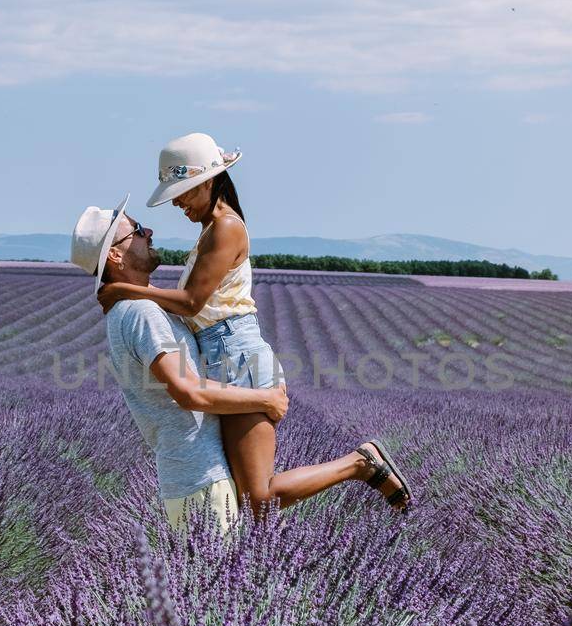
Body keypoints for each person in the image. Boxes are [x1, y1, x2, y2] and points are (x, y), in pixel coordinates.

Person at [92, 139, 412, 517]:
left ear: (207, 182)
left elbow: (193, 302)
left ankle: (360, 463)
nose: (177, 203)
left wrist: (121, 288)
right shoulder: (210, 230)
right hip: (222, 356)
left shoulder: (226, 227)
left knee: (258, 500)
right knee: (245, 500)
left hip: (236, 356)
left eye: (180, 193)